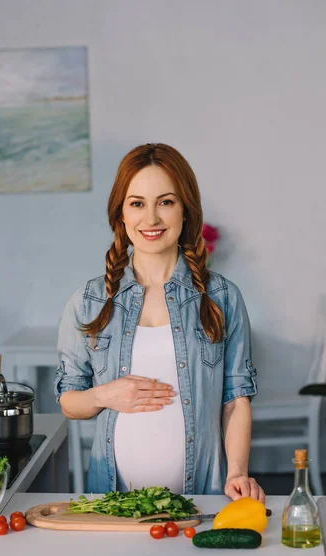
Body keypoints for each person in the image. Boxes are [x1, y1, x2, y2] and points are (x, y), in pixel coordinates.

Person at [55, 142, 264, 502]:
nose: (150, 219)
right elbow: (69, 400)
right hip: (112, 503)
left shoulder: (223, 298)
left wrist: (237, 472)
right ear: (121, 214)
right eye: (137, 203)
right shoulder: (88, 301)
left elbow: (236, 399)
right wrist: (106, 394)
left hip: (203, 496)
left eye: (165, 202)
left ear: (186, 210)